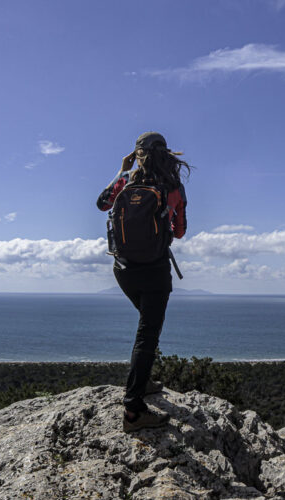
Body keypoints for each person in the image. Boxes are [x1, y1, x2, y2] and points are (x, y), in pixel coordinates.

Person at [96, 131, 190, 432]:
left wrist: (121, 170)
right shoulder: (172, 187)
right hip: (154, 270)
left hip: (123, 270)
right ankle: (134, 411)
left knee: (146, 329)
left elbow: (101, 204)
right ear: (166, 156)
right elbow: (179, 232)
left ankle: (143, 380)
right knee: (147, 334)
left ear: (137, 155)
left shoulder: (127, 183)